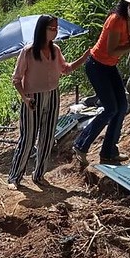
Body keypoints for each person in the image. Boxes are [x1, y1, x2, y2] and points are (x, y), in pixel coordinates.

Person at [73, 0, 130, 166]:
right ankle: (81, 145)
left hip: (110, 67)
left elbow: (127, 43)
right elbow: (112, 50)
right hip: (97, 66)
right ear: (127, 4)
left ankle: (109, 151)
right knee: (111, 108)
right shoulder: (115, 19)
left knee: (121, 107)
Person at [8, 15, 90, 190]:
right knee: (28, 139)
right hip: (32, 99)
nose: (55, 31)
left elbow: (65, 69)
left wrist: (83, 58)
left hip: (52, 96)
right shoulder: (28, 52)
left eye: (56, 28)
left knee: (47, 138)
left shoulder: (56, 50)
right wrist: (25, 98)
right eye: (51, 28)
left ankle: (39, 175)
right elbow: (16, 79)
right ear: (42, 30)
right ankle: (15, 178)